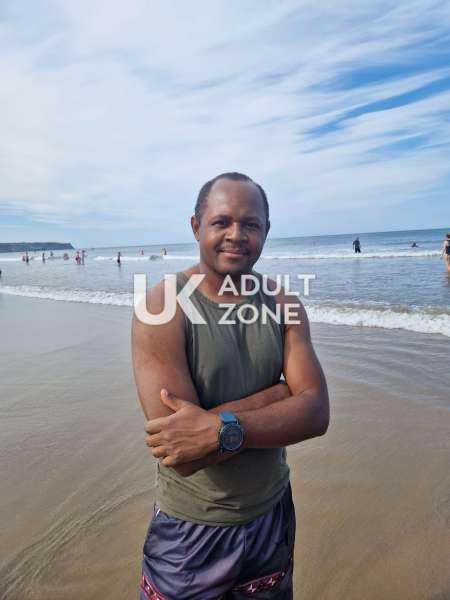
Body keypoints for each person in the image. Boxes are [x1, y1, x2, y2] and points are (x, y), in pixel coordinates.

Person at [132, 172, 329, 599]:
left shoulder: (283, 304)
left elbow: (316, 413)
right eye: (221, 222)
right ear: (196, 226)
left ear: (266, 230)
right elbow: (180, 452)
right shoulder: (162, 307)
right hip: (191, 528)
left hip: (271, 515)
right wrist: (279, 395)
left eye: (251, 224)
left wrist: (218, 427)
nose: (236, 235)